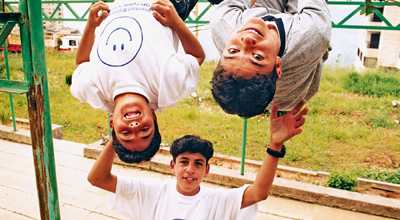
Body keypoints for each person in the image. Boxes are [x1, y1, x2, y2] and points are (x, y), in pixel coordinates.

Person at [70, 0, 233, 163]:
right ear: (153, 117)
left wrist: (90, 26)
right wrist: (175, 21)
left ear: (112, 125)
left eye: (126, 133)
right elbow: (197, 56)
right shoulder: (165, 89)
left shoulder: (94, 92)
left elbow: (81, 63)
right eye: (145, 130)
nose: (135, 127)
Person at [87, 99, 309, 220]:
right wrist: (118, 136)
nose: (190, 170)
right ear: (172, 167)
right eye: (183, 162)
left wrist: (275, 145)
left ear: (207, 171)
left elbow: (258, 193)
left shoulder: (216, 201)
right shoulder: (152, 193)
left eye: (198, 164)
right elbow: (97, 178)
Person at [210, 0, 332, 118]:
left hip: (262, 20)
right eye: (257, 56)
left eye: (233, 51)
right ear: (278, 65)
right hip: (292, 80)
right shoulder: (310, 35)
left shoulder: (225, 23)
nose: (246, 41)